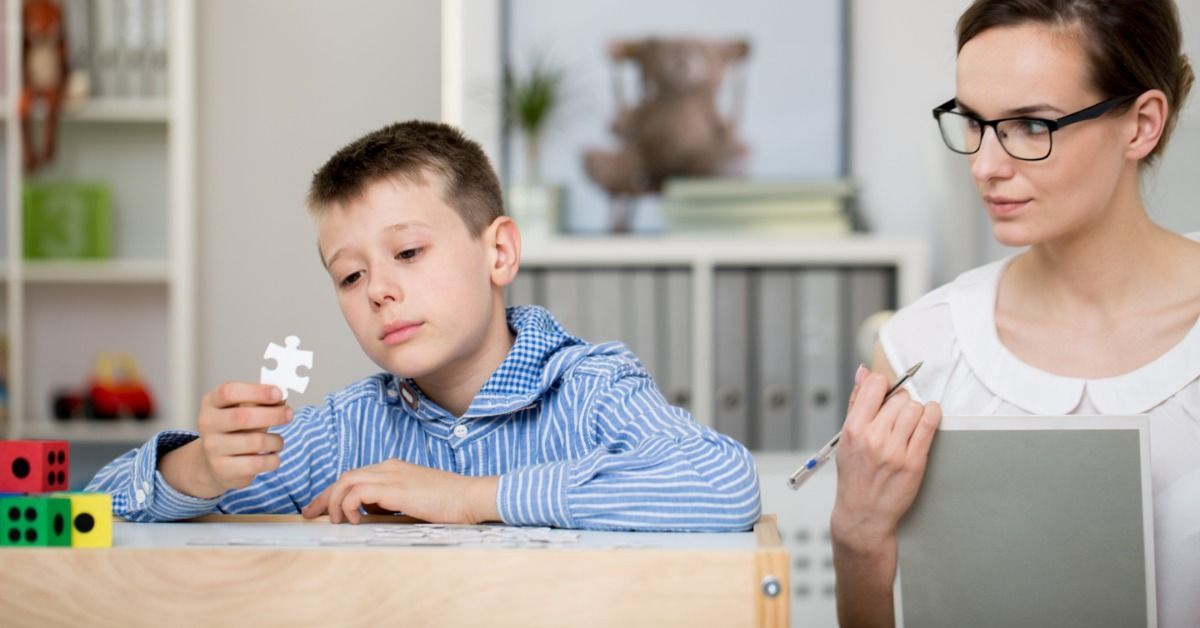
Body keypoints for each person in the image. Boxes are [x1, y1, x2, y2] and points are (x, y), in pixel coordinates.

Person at [87, 120, 762, 531]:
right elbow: (90, 512)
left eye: (408, 253)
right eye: (350, 277)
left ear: (498, 252)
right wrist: (198, 468)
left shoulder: (591, 390)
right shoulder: (342, 432)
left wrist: (472, 498)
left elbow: (724, 485)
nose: (378, 289)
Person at [831, 0, 1197, 625]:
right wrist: (856, 538)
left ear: (1141, 125)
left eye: (1032, 125)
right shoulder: (922, 347)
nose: (985, 165)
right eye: (973, 121)